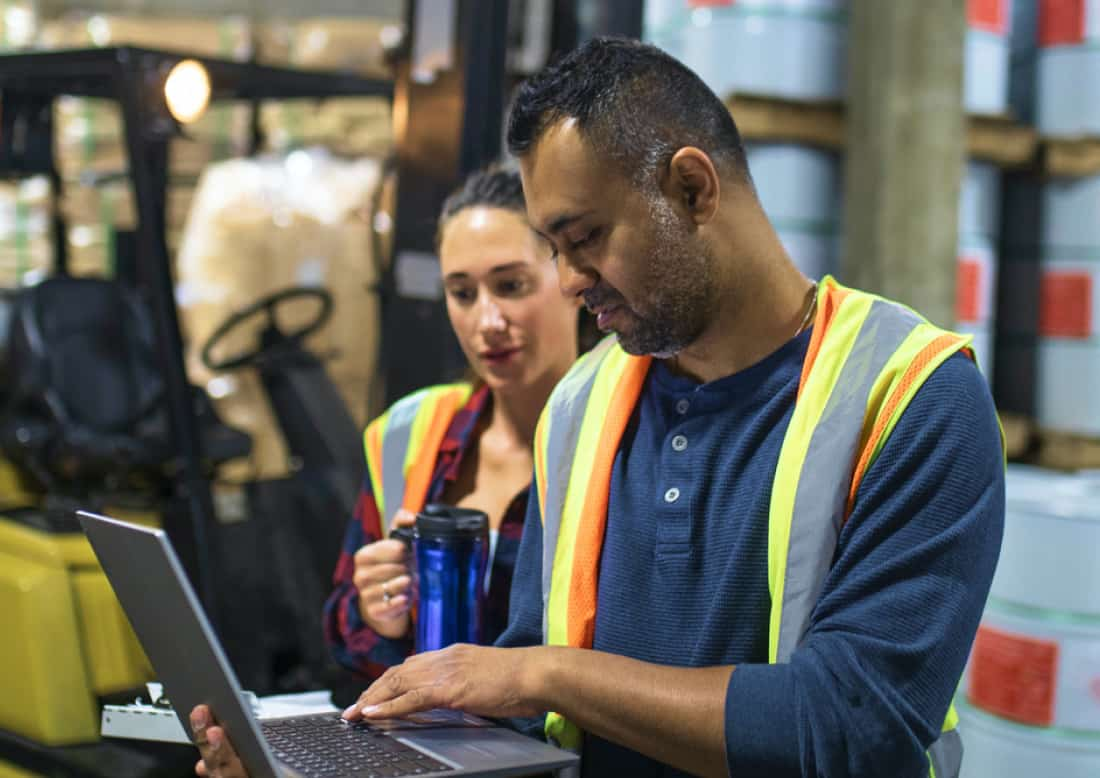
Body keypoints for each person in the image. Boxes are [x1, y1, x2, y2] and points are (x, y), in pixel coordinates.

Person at [191, 38, 1005, 778]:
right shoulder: (585, 404)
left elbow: (851, 726)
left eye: (584, 239)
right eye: (553, 250)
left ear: (692, 188)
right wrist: (309, 766)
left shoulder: (914, 399)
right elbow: (527, 725)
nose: (571, 281)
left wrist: (549, 671)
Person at [319, 165, 581, 681]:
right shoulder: (409, 434)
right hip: (432, 747)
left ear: (572, 276)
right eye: (462, 293)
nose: (487, 322)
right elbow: (346, 633)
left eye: (511, 285)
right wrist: (379, 617)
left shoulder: (630, 440)